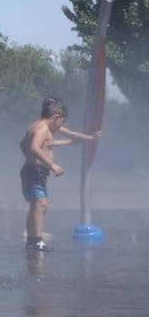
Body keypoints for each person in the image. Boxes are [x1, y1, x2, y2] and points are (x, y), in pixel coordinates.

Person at [19, 97, 100, 251]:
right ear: (56, 117)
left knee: (35, 206)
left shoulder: (38, 126)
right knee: (41, 205)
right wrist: (51, 165)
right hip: (34, 172)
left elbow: (23, 145)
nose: (62, 125)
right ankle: (37, 241)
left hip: (33, 171)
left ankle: (32, 240)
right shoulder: (43, 128)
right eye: (62, 121)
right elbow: (35, 148)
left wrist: (90, 138)